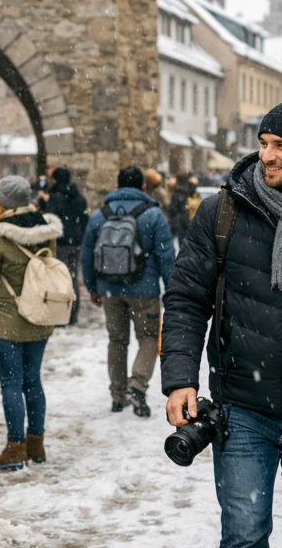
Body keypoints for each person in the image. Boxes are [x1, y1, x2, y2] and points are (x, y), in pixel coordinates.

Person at [161, 95, 282, 548]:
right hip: (241, 409)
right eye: (264, 143)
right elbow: (187, 299)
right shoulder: (222, 212)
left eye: (281, 145)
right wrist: (179, 379)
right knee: (244, 537)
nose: (266, 155)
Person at [0, 176, 63, 470]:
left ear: (2, 202)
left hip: (6, 322)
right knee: (33, 380)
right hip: (39, 314)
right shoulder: (46, 230)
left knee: (11, 383)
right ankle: (36, 443)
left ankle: (15, 447)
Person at [81, 166, 174, 417]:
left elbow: (87, 254)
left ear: (117, 185)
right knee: (148, 338)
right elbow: (166, 256)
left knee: (117, 340)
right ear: (143, 187)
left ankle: (118, 394)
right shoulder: (154, 215)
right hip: (145, 290)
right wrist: (172, 289)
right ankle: (138, 384)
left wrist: (92, 287)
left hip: (109, 289)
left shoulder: (100, 215)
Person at [43, 167, 89, 325]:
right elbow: (84, 220)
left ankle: (61, 315)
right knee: (73, 277)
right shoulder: (79, 198)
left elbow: (48, 219)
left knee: (59, 279)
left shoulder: (55, 198)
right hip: (76, 243)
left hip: (60, 242)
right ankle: (73, 314)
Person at [167, 172, 197, 243]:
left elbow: (173, 209)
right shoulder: (193, 190)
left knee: (183, 246)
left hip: (181, 223)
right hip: (193, 221)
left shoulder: (177, 192)